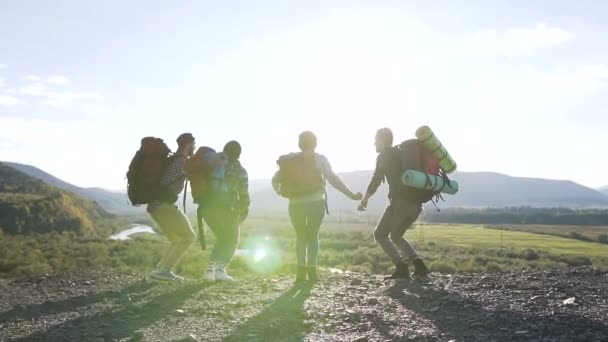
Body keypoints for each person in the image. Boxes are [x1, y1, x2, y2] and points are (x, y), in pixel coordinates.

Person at [273, 131, 362, 285]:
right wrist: (351, 195)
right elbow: (333, 179)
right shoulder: (320, 159)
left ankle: (300, 273)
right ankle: (312, 272)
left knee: (300, 237)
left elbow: (275, 180)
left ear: (299, 144)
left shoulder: (289, 161)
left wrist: (280, 193)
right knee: (313, 236)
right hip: (315, 203)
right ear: (315, 143)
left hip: (295, 204)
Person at [358, 128, 429, 280]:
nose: (373, 143)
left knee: (380, 234)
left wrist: (365, 199)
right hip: (416, 205)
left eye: (375, 140)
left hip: (400, 204)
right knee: (396, 236)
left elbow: (376, 179)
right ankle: (419, 265)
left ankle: (401, 267)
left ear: (382, 141)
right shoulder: (402, 154)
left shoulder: (384, 156)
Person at [148, 133, 197, 281]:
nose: (194, 147)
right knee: (189, 236)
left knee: (176, 239)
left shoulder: (172, 160)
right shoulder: (181, 162)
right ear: (188, 144)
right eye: (194, 144)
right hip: (163, 205)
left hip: (155, 206)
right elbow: (166, 182)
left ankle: (159, 271)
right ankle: (165, 271)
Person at [201, 140, 250, 282]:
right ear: (239, 154)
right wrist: (242, 210)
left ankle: (209, 271)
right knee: (233, 240)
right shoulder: (240, 171)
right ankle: (221, 271)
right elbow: (245, 196)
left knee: (222, 238)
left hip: (207, 209)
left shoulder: (214, 166)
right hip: (227, 209)